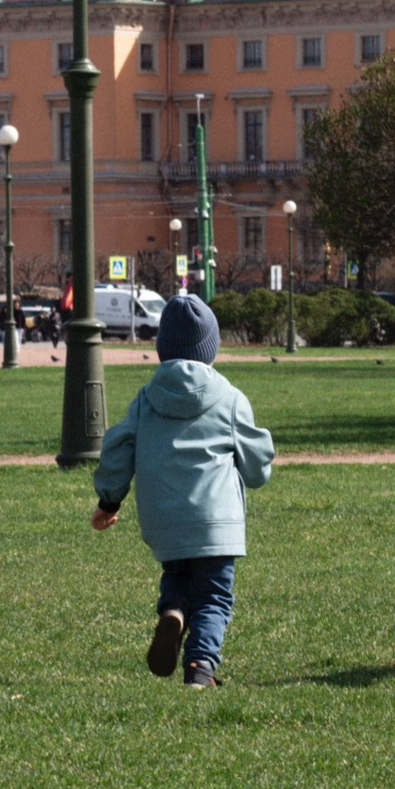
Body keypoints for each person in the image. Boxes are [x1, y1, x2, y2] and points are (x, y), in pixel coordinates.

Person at [90, 290, 274, 690]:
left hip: (165, 520)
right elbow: (257, 458)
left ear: (162, 348)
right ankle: (200, 667)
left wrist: (109, 499)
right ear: (211, 348)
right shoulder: (229, 397)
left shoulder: (146, 398)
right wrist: (257, 472)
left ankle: (173, 612)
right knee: (213, 599)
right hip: (215, 523)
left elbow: (120, 446)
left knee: (177, 578)